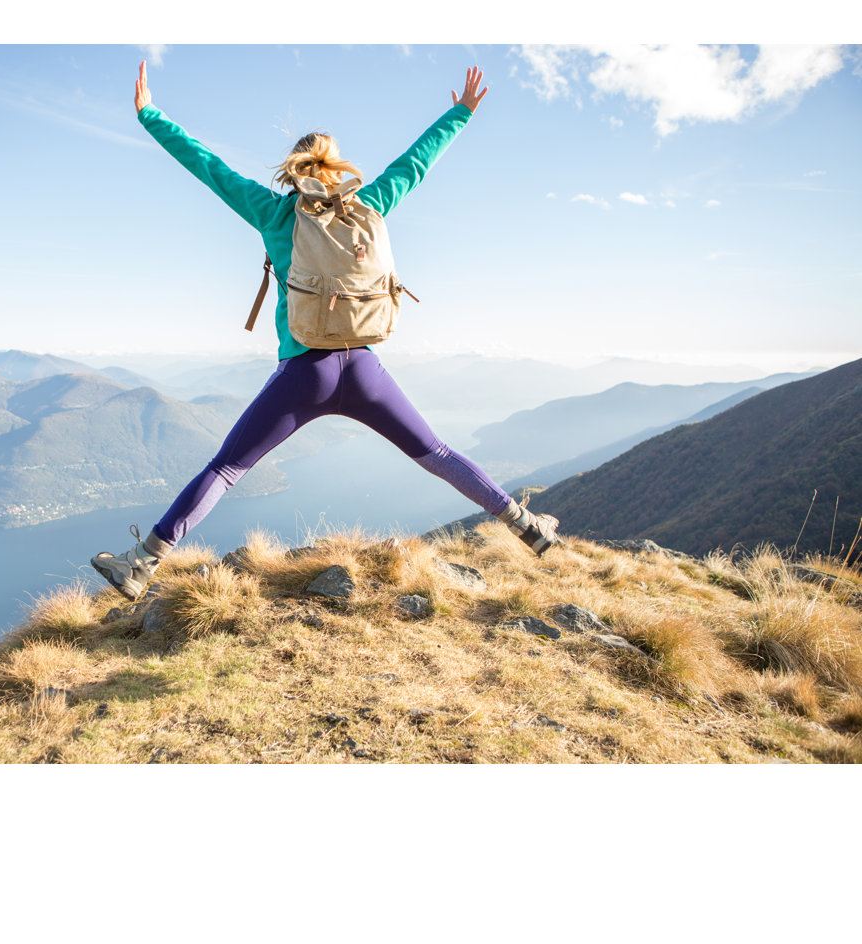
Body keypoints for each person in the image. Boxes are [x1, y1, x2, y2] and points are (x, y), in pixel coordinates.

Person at [91, 61, 559, 600]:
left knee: (226, 467)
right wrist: (460, 113)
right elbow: (416, 163)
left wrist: (151, 116)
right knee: (440, 454)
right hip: (363, 368)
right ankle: (528, 525)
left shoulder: (274, 212)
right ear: (337, 169)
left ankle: (142, 564)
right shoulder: (372, 205)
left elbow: (208, 165)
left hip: (302, 373)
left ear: (293, 173)